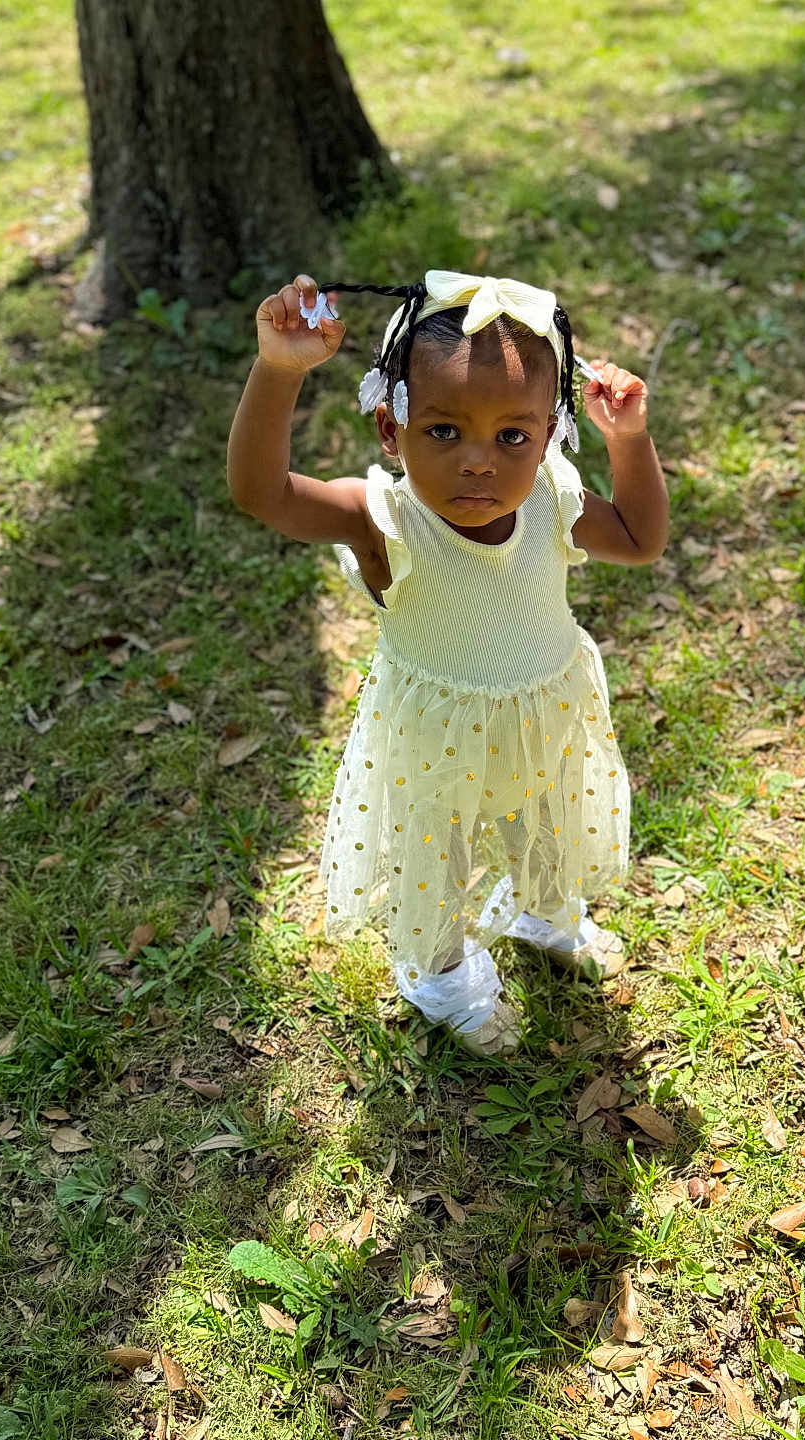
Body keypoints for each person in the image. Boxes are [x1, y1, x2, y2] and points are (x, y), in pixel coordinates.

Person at [226, 270, 667, 1057]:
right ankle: (441, 977)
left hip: (547, 713)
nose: (479, 463)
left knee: (548, 823)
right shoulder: (383, 522)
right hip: (438, 740)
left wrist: (629, 442)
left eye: (512, 437)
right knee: (438, 857)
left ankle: (541, 914)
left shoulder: (550, 499)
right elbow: (261, 492)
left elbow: (641, 538)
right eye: (443, 431)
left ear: (551, 431)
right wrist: (279, 370)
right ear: (390, 429)